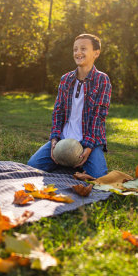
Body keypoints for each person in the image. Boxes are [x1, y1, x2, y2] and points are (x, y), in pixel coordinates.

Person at [27, 33, 111, 178]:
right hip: (63, 139)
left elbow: (99, 116)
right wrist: (54, 139)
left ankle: (72, 165)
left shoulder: (102, 80)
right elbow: (58, 111)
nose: (78, 52)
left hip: (89, 140)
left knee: (99, 177)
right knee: (32, 166)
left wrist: (89, 147)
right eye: (75, 49)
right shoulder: (66, 79)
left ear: (96, 53)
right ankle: (68, 164)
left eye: (83, 49)